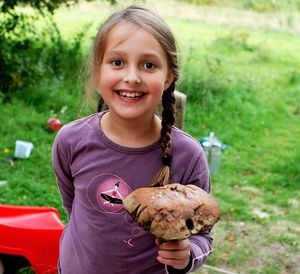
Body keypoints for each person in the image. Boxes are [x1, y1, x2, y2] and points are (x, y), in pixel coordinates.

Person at [52, 5, 213, 274]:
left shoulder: (187, 155)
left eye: (149, 65)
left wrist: (188, 254)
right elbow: (75, 210)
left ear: (168, 77)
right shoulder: (71, 141)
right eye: (117, 62)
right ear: (98, 69)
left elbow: (202, 234)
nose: (132, 77)